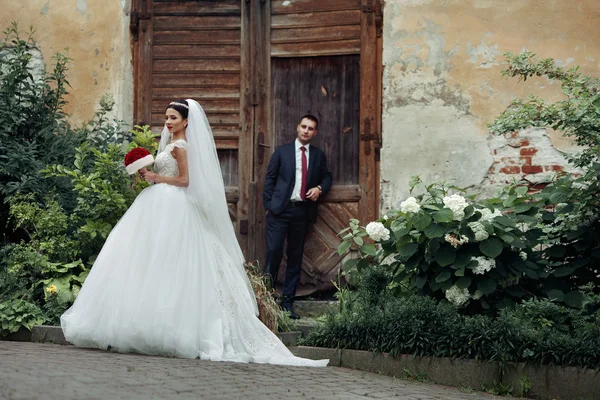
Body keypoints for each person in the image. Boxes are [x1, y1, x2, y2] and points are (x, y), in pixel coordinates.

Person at [60, 99, 327, 367]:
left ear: (186, 121)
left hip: (175, 205)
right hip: (158, 204)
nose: (168, 121)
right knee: (146, 260)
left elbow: (185, 181)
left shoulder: (182, 146)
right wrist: (146, 174)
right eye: (166, 117)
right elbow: (167, 173)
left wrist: (156, 178)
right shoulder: (167, 145)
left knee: (176, 263)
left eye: (173, 117)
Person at [263, 115, 332, 319]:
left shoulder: (318, 156)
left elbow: (327, 176)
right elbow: (270, 179)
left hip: (302, 211)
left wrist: (320, 188)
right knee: (274, 252)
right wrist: (269, 206)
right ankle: (266, 299)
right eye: (303, 127)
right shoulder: (282, 152)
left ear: (315, 133)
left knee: (295, 257)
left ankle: (287, 304)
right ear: (297, 127)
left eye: (310, 129)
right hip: (280, 211)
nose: (306, 131)